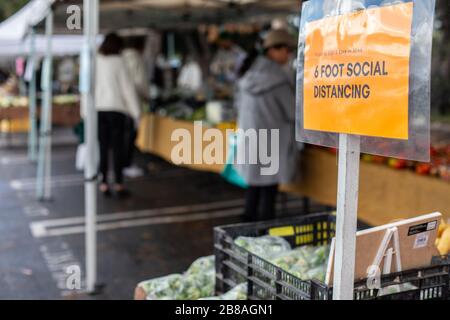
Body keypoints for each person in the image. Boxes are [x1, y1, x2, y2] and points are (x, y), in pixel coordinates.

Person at [235, 29, 298, 222]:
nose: (289, 56)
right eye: (287, 50)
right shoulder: (278, 77)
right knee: (268, 194)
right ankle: (264, 235)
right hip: (272, 142)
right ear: (274, 50)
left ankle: (247, 228)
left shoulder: (250, 72)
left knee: (254, 188)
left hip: (252, 138)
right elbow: (292, 112)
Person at [96, 33, 141, 197]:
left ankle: (103, 183)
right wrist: (136, 112)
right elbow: (127, 89)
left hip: (99, 110)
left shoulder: (97, 61)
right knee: (117, 148)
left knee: (102, 147)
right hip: (117, 110)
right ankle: (119, 183)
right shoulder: (119, 62)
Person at [122, 37, 149, 178]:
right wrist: (146, 97)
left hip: (119, 105)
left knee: (122, 137)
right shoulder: (137, 60)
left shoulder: (120, 58)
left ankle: (122, 164)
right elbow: (141, 84)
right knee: (129, 136)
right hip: (132, 104)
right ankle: (126, 164)